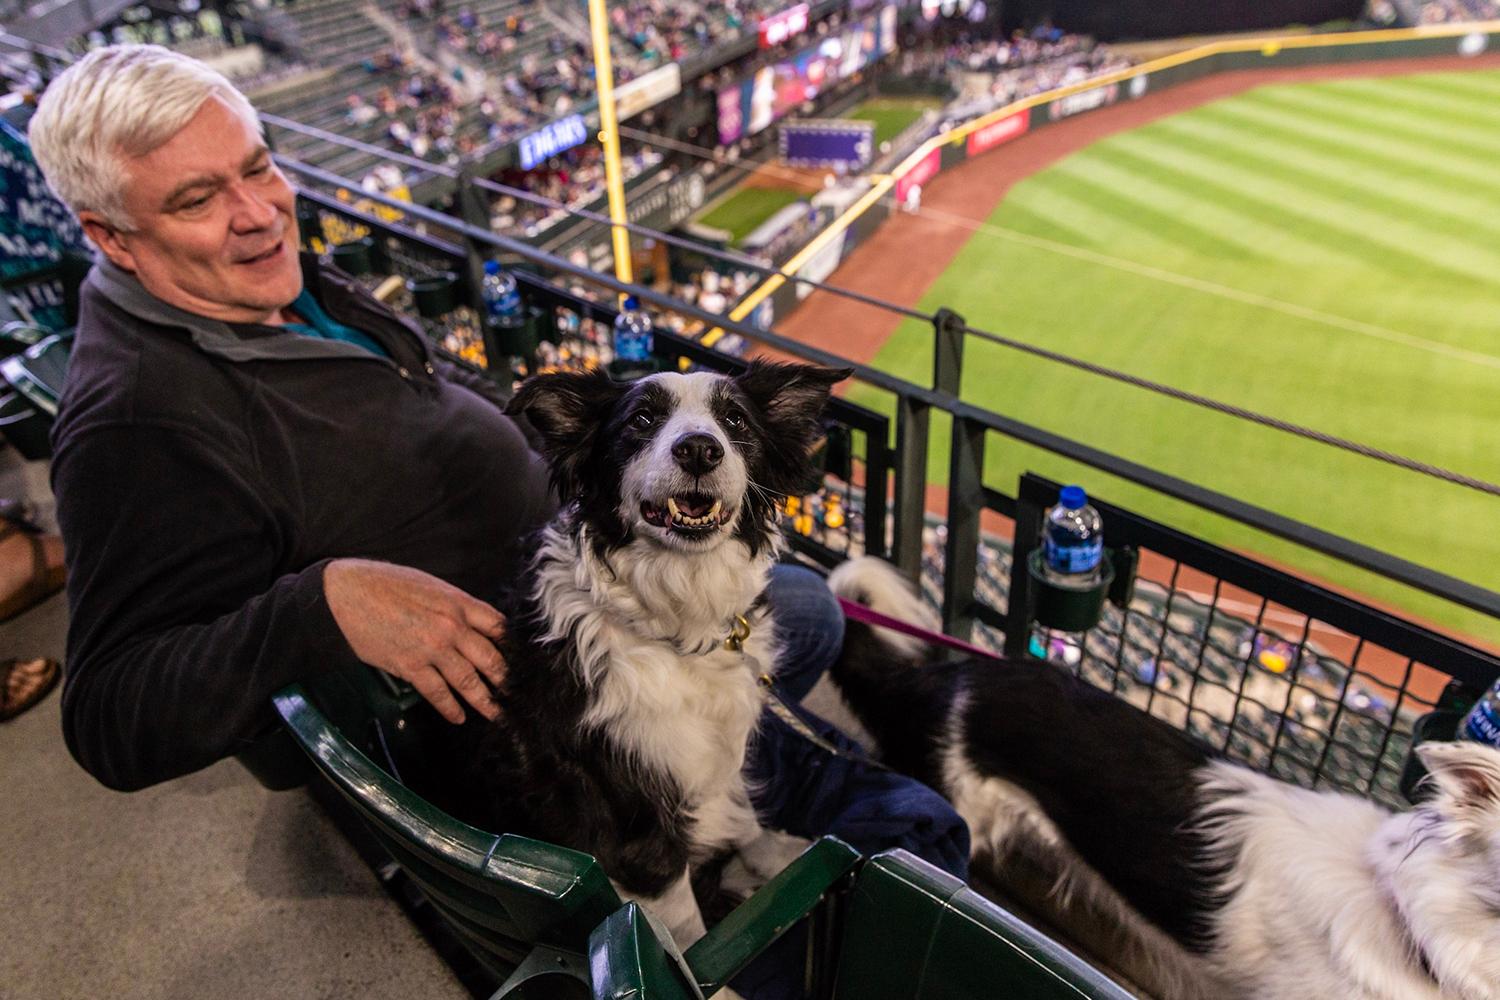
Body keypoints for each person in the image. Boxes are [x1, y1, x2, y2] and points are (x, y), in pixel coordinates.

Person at [28, 45, 966, 894]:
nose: (256, 212)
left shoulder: (268, 276)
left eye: (258, 165)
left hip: (576, 588)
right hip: (544, 699)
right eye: (196, 200)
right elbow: (110, 714)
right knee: (858, 705)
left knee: (796, 604)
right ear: (110, 235)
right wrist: (323, 603)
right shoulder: (135, 420)